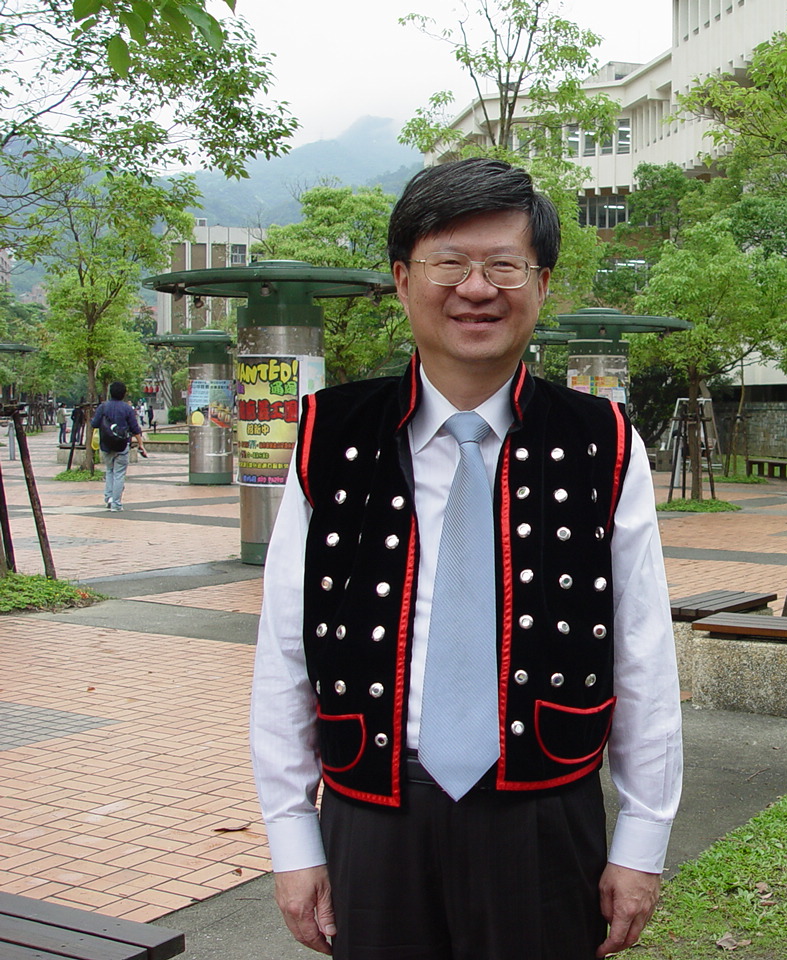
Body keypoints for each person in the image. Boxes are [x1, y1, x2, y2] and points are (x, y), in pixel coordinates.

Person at [250, 157, 683, 960]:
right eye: (448, 263)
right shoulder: (329, 435)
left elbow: (643, 651)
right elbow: (285, 649)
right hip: (372, 811)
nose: (476, 288)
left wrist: (642, 839)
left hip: (543, 816)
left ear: (541, 285)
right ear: (402, 279)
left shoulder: (604, 443)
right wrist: (292, 836)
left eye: (504, 266)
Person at [90, 382, 147, 511]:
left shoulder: (103, 407)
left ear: (110, 392)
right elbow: (135, 428)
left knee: (109, 471)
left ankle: (108, 498)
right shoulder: (127, 409)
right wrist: (141, 444)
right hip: (122, 445)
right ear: (124, 394)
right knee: (119, 474)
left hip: (106, 445)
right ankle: (116, 504)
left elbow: (94, 424)